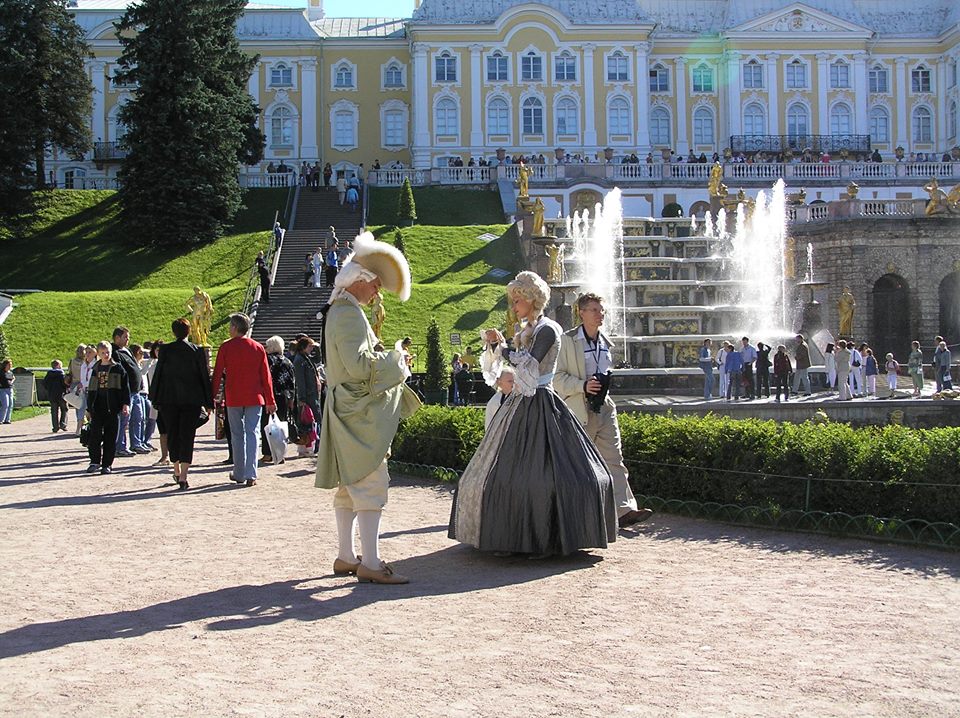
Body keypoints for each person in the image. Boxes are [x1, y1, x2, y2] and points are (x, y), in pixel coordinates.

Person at [451, 274, 617, 557]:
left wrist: (504, 347)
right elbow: (510, 371)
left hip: (542, 403)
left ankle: (545, 538)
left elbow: (530, 365)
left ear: (532, 299)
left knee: (543, 476)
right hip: (521, 402)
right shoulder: (527, 329)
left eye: (517, 300)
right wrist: (498, 347)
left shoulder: (548, 329)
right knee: (495, 473)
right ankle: (512, 536)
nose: (514, 306)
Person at [316, 232, 420, 585]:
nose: (377, 292)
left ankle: (347, 556)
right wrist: (396, 361)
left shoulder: (344, 311)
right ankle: (371, 563)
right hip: (357, 413)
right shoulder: (347, 314)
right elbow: (359, 367)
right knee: (371, 483)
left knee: (349, 487)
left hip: (348, 408)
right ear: (357, 282)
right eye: (374, 285)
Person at [554, 292, 653, 529]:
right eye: (595, 310)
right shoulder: (567, 341)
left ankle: (624, 510)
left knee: (614, 458)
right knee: (579, 463)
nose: (601, 314)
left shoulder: (605, 342)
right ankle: (576, 514)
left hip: (604, 406)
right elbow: (556, 379)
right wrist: (582, 386)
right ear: (582, 312)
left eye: (602, 310)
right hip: (579, 407)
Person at [212, 313, 276, 487]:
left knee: (237, 435)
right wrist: (270, 399)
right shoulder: (257, 347)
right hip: (255, 397)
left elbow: (217, 373)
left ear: (234, 327)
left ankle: (239, 472)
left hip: (234, 396)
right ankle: (251, 473)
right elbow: (266, 376)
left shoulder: (226, 347)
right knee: (253, 433)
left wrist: (212, 395)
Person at [149, 319, 214, 490]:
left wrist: (154, 397)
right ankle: (184, 475)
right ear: (189, 331)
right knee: (187, 435)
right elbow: (203, 377)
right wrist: (208, 401)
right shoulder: (196, 351)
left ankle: (176, 468)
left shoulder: (165, 350)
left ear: (173, 332)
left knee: (173, 433)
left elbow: (159, 375)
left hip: (169, 399)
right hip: (191, 400)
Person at [84, 341, 130, 475]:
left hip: (112, 407)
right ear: (98, 354)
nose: (106, 355)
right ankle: (94, 461)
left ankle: (107, 464)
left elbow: (125, 389)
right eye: (103, 353)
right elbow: (91, 390)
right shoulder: (95, 369)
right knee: (95, 436)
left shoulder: (118, 368)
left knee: (111, 437)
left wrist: (125, 404)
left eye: (108, 352)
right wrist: (89, 408)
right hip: (97, 406)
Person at [259, 336, 296, 465]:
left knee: (267, 425)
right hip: (284, 397)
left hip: (270, 396)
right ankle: (281, 453)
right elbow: (292, 382)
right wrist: (292, 398)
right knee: (281, 426)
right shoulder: (287, 361)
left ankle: (268, 453)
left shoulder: (268, 360)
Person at [293, 335, 322, 458]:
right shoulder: (300, 360)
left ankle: (314, 446)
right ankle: (310, 446)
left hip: (313, 394)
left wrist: (318, 348)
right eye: (310, 346)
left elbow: (317, 359)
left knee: (314, 421)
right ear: (304, 347)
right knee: (309, 422)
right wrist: (302, 399)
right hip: (308, 396)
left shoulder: (306, 358)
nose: (312, 348)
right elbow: (300, 381)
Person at [42, 360, 68, 432]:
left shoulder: (49, 374)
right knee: (64, 409)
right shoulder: (61, 374)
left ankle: (55, 427)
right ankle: (63, 424)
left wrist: (49, 390)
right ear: (59, 366)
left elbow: (44, 384)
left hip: (52, 395)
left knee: (54, 411)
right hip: (61, 395)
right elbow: (65, 384)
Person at [68, 344, 87, 433]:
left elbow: (70, 372)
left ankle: (80, 425)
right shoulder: (86, 362)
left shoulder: (72, 361)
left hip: (74, 384)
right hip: (83, 384)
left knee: (78, 406)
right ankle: (80, 427)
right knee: (84, 407)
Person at [0, 359, 14, 424]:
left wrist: (11, 382)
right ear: (5, 365)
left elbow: (13, 377)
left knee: (10, 404)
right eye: (9, 364)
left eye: (11, 364)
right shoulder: (1, 372)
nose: (10, 366)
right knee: (5, 404)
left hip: (10, 389)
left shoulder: (10, 372)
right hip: (3, 389)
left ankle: (7, 419)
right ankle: (1, 419)